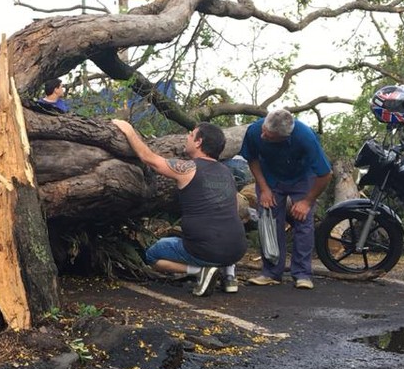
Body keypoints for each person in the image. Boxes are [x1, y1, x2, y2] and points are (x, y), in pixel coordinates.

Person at [111, 119, 248, 296]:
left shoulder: (189, 168)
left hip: (204, 249)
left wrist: (128, 130)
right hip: (237, 248)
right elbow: (234, 207)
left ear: (199, 142)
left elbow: (150, 160)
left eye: (191, 135)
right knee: (222, 234)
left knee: (153, 254)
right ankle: (229, 276)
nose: (187, 138)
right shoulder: (226, 173)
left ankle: (200, 271)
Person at [239, 108, 332, 289]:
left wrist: (307, 201)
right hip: (270, 178)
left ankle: (302, 274)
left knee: (303, 222)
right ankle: (271, 272)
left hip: (302, 177)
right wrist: (264, 189)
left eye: (269, 136)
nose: (264, 136)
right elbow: (252, 158)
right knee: (269, 220)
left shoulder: (305, 137)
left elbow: (325, 174)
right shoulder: (255, 130)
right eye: (264, 131)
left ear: (284, 137)